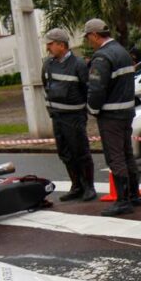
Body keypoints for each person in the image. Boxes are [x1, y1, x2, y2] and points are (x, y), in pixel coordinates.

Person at [83, 18, 141, 216]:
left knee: (115, 156)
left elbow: (96, 89)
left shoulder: (102, 57)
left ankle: (123, 200)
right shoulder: (122, 52)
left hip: (111, 115)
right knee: (127, 155)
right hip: (126, 112)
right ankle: (134, 195)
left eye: (88, 37)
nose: (89, 41)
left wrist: (92, 108)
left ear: (94, 35)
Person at [41, 28, 96, 202]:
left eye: (50, 44)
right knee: (64, 153)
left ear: (61, 45)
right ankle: (76, 186)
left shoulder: (78, 64)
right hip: (57, 117)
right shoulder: (48, 64)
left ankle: (89, 187)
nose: (48, 47)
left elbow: (87, 88)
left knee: (80, 151)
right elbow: (45, 84)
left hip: (74, 117)